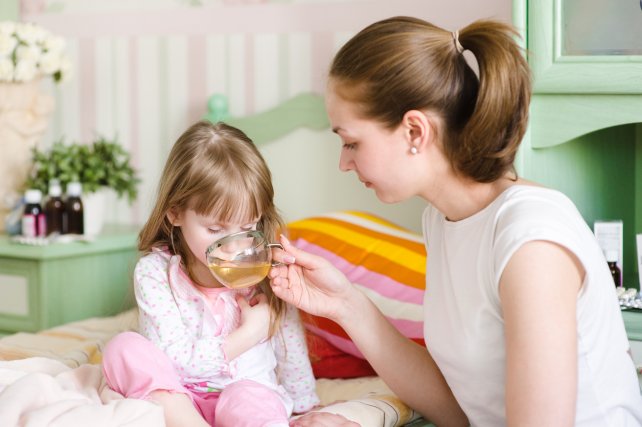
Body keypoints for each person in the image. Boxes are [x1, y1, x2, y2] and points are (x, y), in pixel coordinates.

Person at [270, 16, 642, 427]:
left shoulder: (531, 240)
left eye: (352, 142)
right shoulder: (443, 220)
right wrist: (346, 304)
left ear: (415, 131)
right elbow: (463, 408)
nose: (344, 162)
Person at [102, 121, 319, 427]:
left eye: (248, 227)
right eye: (215, 229)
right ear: (175, 213)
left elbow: (290, 340)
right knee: (122, 348)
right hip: (179, 399)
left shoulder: (266, 267)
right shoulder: (155, 273)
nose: (234, 246)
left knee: (248, 399)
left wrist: (305, 405)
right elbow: (175, 362)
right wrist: (251, 333)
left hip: (247, 393)